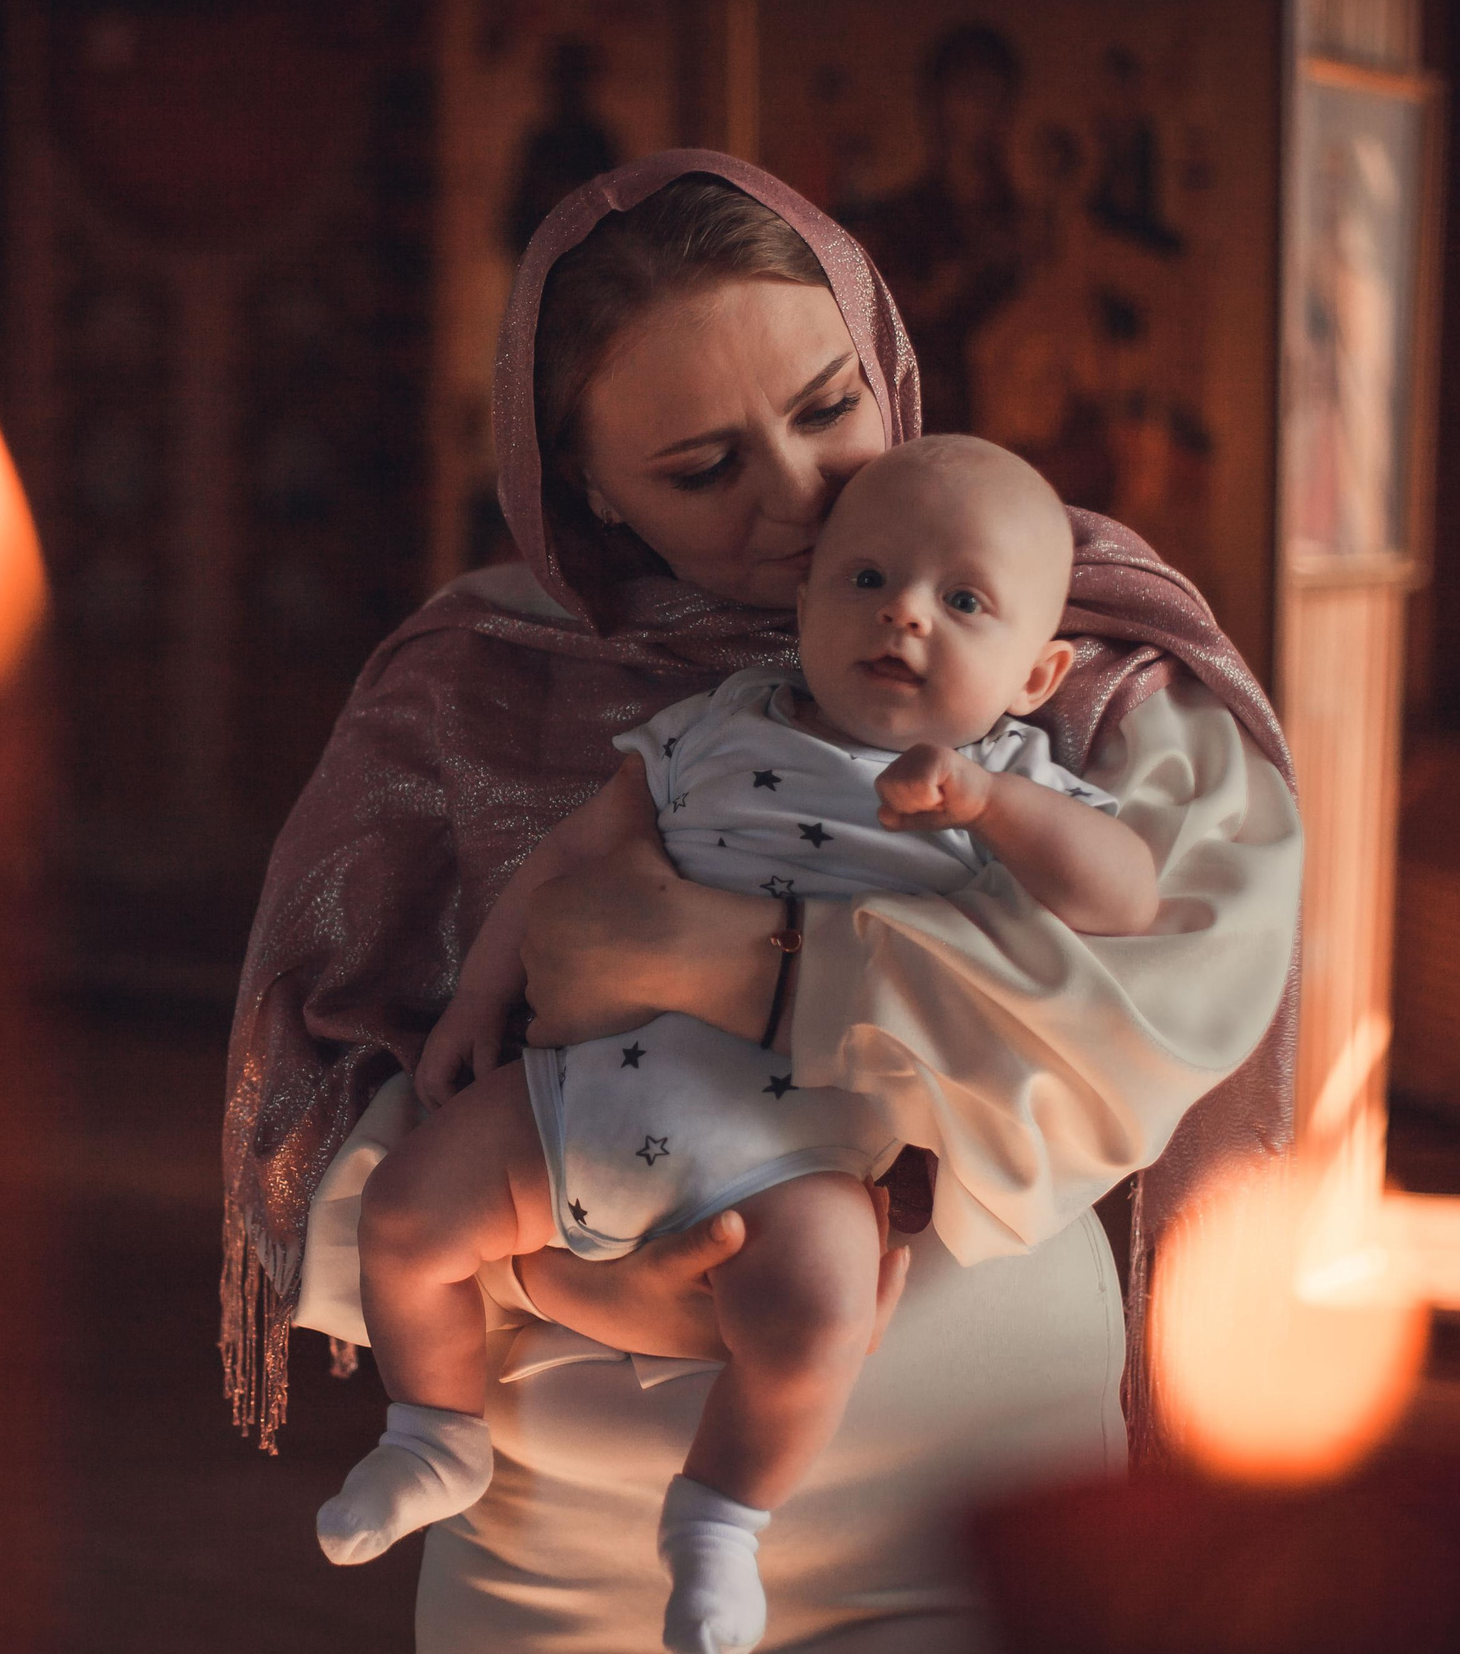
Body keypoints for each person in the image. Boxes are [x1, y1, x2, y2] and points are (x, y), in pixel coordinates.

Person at [222, 150, 1301, 1651]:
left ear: (884, 355)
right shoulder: (468, 684)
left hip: (972, 1492)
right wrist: (564, 1274)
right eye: (704, 468)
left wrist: (767, 961)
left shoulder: (1090, 644)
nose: (803, 501)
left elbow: (1170, 997)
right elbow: (325, 1078)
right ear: (585, 486)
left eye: (827, 409)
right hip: (561, 1530)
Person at [320, 437, 1163, 1654]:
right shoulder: (707, 728)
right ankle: (434, 1436)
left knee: (819, 1314)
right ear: (807, 604)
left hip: (794, 1141)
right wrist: (468, 1009)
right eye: (866, 579)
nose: (905, 617)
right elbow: (554, 867)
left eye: (962, 600)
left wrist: (995, 808)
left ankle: (716, 1523)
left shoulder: (1004, 777)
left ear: (1037, 672)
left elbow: (1123, 896)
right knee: (403, 1213)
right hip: (587, 1095)